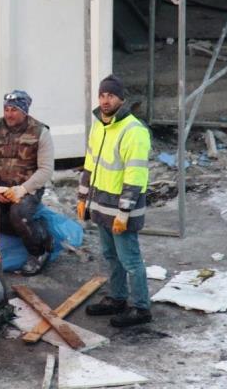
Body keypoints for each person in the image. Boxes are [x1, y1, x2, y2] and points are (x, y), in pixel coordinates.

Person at [77, 74, 152, 328]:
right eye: (102, 95)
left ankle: (141, 308)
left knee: (130, 259)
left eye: (110, 95)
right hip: (101, 206)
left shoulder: (134, 131)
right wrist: (82, 196)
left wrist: (124, 212)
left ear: (122, 98)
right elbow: (90, 163)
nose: (105, 100)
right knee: (111, 255)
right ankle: (118, 297)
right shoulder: (100, 124)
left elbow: (135, 175)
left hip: (121, 210)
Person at [0, 90, 55, 275]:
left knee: (18, 215)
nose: (9, 114)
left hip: (27, 188)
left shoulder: (40, 132)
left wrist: (22, 189)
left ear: (25, 111)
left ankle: (39, 251)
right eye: (6, 109)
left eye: (14, 110)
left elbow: (45, 170)